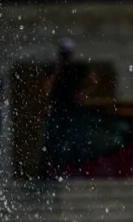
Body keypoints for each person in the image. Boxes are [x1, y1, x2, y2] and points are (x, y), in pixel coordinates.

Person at [39, 38, 98, 182]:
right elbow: (47, 87)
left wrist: (83, 93)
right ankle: (51, 171)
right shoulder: (54, 68)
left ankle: (77, 171)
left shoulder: (78, 67)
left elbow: (94, 80)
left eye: (67, 54)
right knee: (52, 140)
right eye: (63, 54)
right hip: (58, 107)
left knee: (76, 140)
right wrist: (58, 70)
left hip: (73, 107)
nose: (65, 57)